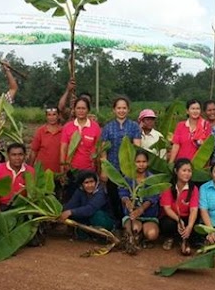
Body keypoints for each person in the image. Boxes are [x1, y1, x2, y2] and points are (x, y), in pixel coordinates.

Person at [100, 96, 142, 224]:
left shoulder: (134, 126)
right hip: (113, 169)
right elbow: (103, 150)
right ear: (114, 110)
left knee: (129, 198)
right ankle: (117, 224)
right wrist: (104, 170)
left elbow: (137, 148)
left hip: (129, 170)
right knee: (113, 197)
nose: (121, 110)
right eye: (119, 108)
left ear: (128, 110)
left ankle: (130, 224)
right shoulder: (108, 127)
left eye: (124, 108)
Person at [60, 97, 101, 197]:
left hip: (89, 170)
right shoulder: (68, 127)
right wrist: (62, 170)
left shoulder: (95, 127)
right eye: (78, 108)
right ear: (74, 110)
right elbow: (63, 149)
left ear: (88, 110)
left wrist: (99, 170)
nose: (81, 111)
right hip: (72, 170)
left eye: (83, 108)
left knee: (88, 199)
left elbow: (99, 150)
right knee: (72, 198)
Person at [119, 150, 160, 246]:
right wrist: (127, 202)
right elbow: (122, 192)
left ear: (148, 162)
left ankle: (141, 237)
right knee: (134, 229)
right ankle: (136, 237)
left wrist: (140, 210)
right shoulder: (128, 177)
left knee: (152, 234)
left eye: (144, 162)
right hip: (132, 215)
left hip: (148, 215)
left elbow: (153, 198)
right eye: (138, 162)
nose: (141, 165)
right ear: (133, 163)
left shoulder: (152, 178)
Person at [160, 158, 200, 255]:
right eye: (184, 170)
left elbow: (194, 209)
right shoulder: (168, 186)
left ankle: (184, 240)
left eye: (189, 171)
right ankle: (170, 237)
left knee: (194, 224)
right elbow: (167, 208)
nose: (187, 173)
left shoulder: (193, 188)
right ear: (176, 171)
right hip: (172, 216)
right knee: (168, 224)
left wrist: (189, 226)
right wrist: (178, 220)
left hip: (186, 216)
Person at [60, 170, 114, 240]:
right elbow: (71, 205)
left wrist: (71, 212)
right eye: (86, 183)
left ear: (96, 182)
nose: (90, 185)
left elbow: (90, 209)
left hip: (103, 220)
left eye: (92, 182)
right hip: (87, 220)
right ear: (81, 184)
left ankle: (101, 235)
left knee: (97, 215)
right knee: (80, 231)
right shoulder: (80, 191)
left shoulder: (100, 193)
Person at [0, 142, 35, 210]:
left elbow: (33, 193)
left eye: (20, 154)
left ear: (25, 155)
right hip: (2, 205)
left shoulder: (30, 171)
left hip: (22, 207)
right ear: (8, 156)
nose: (17, 158)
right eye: (14, 155)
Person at [169, 99, 212, 163]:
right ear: (187, 111)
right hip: (181, 163)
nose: (195, 111)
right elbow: (176, 145)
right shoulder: (180, 125)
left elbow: (208, 147)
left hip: (198, 164)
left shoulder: (205, 125)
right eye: (193, 108)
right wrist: (170, 162)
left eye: (197, 109)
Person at [29, 106, 63, 174]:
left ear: (58, 116)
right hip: (42, 172)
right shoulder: (40, 131)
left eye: (54, 114)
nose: (51, 117)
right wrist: (30, 168)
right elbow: (33, 152)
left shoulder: (64, 131)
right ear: (46, 116)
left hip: (58, 173)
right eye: (49, 115)